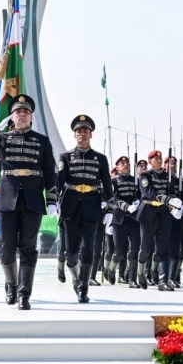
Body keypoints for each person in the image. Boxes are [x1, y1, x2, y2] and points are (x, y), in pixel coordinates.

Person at [0, 95, 57, 311]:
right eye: (18, 112)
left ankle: (24, 294)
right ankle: (11, 284)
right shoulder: (2, 139)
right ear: (12, 116)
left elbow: (50, 171)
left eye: (26, 112)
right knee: (6, 248)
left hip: (32, 200)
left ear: (31, 117)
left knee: (28, 247)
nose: (22, 115)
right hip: (7, 199)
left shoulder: (42, 141)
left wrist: (52, 199)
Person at [56, 115, 113, 302]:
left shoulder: (100, 158)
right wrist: (54, 201)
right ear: (74, 135)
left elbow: (107, 185)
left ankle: (83, 288)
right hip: (70, 205)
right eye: (79, 131)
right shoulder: (65, 157)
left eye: (86, 131)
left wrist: (110, 209)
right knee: (70, 252)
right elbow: (59, 182)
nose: (82, 134)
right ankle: (76, 276)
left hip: (92, 205)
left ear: (91, 134)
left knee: (88, 247)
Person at [136, 149, 180, 291]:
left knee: (163, 247)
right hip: (149, 212)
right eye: (155, 159)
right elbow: (149, 193)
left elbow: (171, 193)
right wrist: (168, 200)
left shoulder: (168, 176)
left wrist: (174, 206)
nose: (159, 161)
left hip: (164, 212)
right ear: (150, 161)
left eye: (160, 158)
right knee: (146, 247)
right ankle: (140, 273)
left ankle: (163, 281)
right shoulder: (145, 175)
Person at [105, 156, 141, 288]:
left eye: (127, 163)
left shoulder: (136, 180)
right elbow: (114, 199)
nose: (125, 165)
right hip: (120, 219)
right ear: (117, 166)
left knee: (135, 250)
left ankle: (132, 279)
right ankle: (111, 269)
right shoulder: (113, 181)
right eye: (122, 163)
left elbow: (140, 194)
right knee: (120, 251)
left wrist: (138, 201)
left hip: (134, 219)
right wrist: (126, 207)